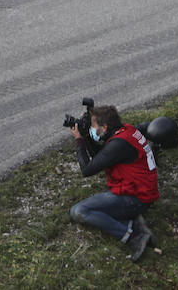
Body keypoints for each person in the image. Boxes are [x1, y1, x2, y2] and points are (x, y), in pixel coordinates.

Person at [69, 103, 160, 262]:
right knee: (98, 208)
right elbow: (102, 156)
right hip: (142, 192)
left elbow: (87, 170)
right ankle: (135, 223)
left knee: (79, 211)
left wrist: (79, 140)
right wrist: (87, 137)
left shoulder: (119, 144)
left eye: (93, 126)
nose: (92, 129)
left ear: (104, 127)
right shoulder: (127, 130)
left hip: (136, 198)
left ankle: (134, 236)